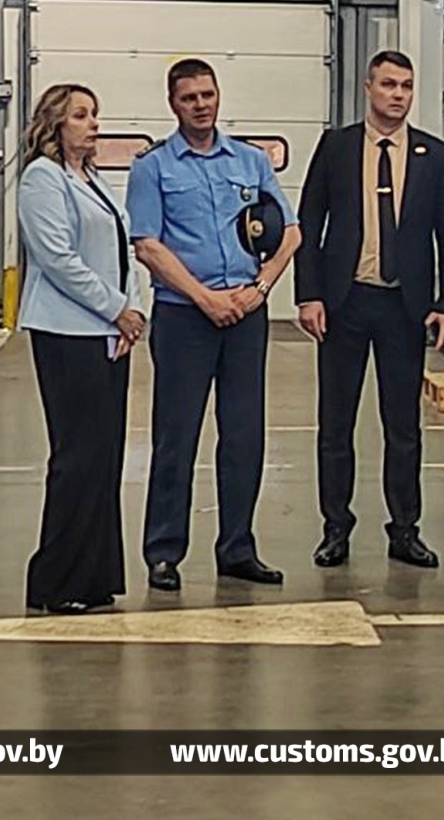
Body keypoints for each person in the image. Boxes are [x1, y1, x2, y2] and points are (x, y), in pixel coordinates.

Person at [127, 58, 302, 593]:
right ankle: (164, 552)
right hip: (185, 317)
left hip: (245, 315)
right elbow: (148, 245)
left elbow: (290, 232)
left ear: (218, 95)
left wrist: (260, 289)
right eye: (189, 98)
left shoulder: (250, 161)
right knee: (176, 437)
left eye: (207, 94)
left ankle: (238, 548)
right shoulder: (153, 168)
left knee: (245, 435)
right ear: (172, 104)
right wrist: (204, 298)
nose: (200, 105)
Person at [294, 50, 444, 570]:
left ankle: (405, 530)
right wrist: (309, 294)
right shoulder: (337, 146)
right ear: (368, 87)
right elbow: (309, 221)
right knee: (335, 424)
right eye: (389, 84)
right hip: (345, 302)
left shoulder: (435, 156)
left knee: (403, 426)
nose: (398, 94)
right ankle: (335, 529)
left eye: (406, 86)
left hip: (404, 307)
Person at [17, 83, 148, 615]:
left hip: (107, 334)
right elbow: (58, 259)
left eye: (94, 114)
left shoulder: (93, 179)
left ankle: (94, 577)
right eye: (80, 115)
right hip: (67, 333)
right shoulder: (42, 179)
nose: (93, 124)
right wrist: (117, 309)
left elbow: (122, 250)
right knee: (76, 458)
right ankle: (55, 581)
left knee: (104, 457)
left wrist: (133, 312)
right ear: (55, 124)